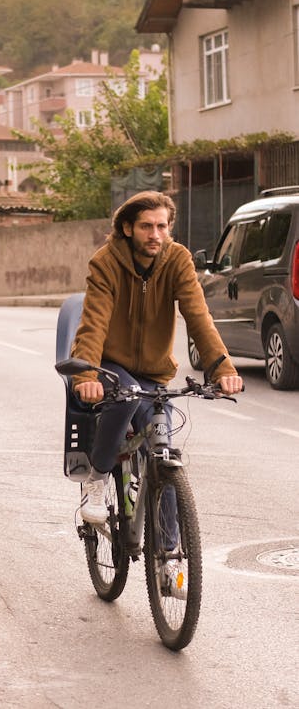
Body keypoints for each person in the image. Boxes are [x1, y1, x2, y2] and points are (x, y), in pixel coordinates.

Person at [71, 190, 243, 526]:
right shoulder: (105, 263)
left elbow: (198, 317)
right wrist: (86, 378)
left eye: (162, 226)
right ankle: (98, 476)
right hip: (110, 365)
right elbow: (93, 323)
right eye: (147, 227)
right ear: (127, 228)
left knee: (161, 446)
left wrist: (223, 369)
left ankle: (168, 564)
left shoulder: (177, 260)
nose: (155, 235)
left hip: (154, 371)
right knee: (126, 398)